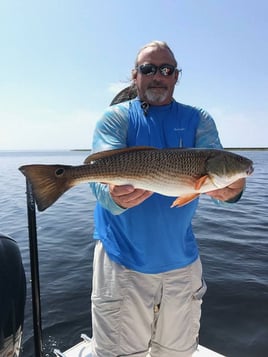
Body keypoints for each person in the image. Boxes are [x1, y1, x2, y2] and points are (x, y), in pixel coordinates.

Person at [89, 41, 245, 357]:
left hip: (182, 264)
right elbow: (98, 177)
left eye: (166, 69)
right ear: (135, 76)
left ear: (176, 76)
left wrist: (233, 192)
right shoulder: (115, 118)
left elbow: (217, 182)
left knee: (176, 352)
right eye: (148, 69)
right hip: (122, 260)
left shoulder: (199, 119)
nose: (157, 76)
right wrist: (113, 196)